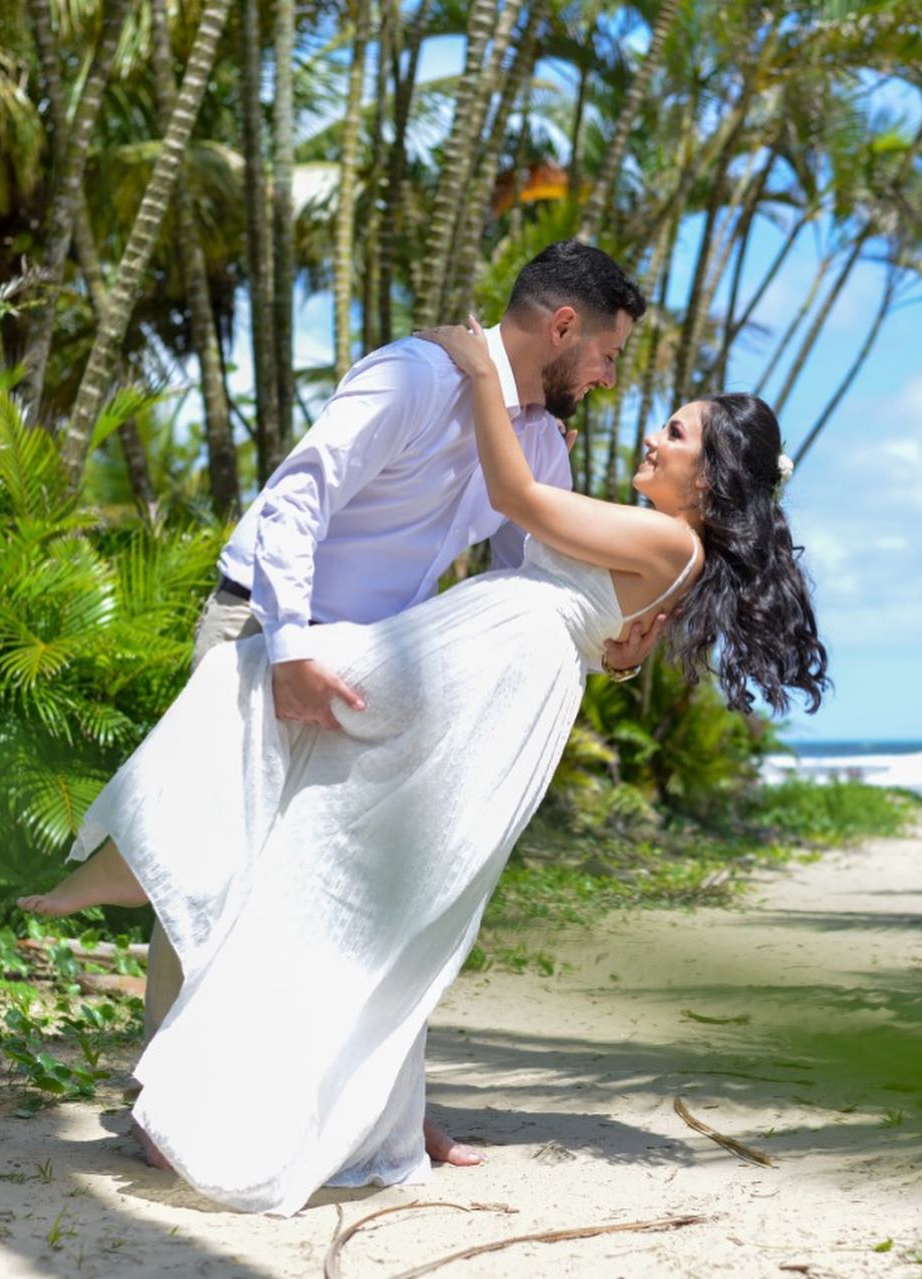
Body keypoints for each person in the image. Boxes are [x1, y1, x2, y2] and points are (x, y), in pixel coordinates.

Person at [19, 318, 828, 1217]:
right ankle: (153, 879)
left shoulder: (669, 544)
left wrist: (484, 374)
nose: (650, 433)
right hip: (498, 666)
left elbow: (517, 500)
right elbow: (586, 609)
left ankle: (136, 860)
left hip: (488, 669)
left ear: (708, 480)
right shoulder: (667, 545)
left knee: (263, 688)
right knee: (348, 853)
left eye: (675, 433)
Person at [140, 240, 657, 1169]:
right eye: (608, 355)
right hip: (266, 630)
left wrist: (604, 650)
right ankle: (160, 1107)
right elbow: (296, 501)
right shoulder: (415, 375)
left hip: (378, 669)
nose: (609, 377)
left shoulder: (537, 441)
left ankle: (370, 1105)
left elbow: (529, 588)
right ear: (565, 327)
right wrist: (290, 649)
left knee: (351, 891)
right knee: (216, 861)